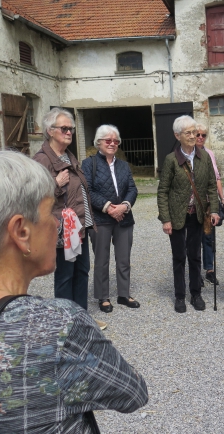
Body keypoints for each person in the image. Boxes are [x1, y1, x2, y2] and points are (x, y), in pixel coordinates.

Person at [0, 151, 148, 431]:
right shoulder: (60, 325)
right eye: (49, 211)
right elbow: (132, 394)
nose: (57, 222)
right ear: (21, 232)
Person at [33, 108, 103, 328]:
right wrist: (55, 185)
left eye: (71, 129)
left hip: (78, 228)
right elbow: (33, 197)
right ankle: (63, 322)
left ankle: (80, 318)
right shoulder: (42, 160)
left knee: (81, 271)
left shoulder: (68, 156)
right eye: (64, 128)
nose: (69, 132)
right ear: (50, 131)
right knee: (65, 276)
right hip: (62, 230)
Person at [157, 116, 220, 313]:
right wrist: (165, 218)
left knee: (195, 255)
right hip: (177, 215)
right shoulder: (171, 160)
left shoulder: (205, 157)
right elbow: (163, 191)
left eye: (195, 132)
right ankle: (179, 296)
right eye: (188, 133)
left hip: (197, 215)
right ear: (178, 136)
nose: (193, 136)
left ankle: (196, 294)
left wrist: (215, 210)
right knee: (179, 257)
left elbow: (211, 185)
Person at [82, 125, 139, 313]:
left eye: (116, 141)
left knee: (124, 259)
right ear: (99, 142)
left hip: (124, 217)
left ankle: (124, 294)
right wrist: (108, 207)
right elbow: (88, 190)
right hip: (101, 219)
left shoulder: (123, 165)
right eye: (108, 140)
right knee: (101, 260)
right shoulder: (89, 164)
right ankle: (103, 297)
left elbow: (132, 188)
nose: (112, 143)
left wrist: (124, 206)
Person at [195, 123, 224, 286]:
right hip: (193, 203)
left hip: (208, 203)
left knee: (208, 237)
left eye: (203, 135)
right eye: (197, 134)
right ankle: (195, 270)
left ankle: (209, 270)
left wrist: (222, 198)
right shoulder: (188, 153)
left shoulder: (210, 153)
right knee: (193, 238)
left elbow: (216, 178)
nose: (200, 137)